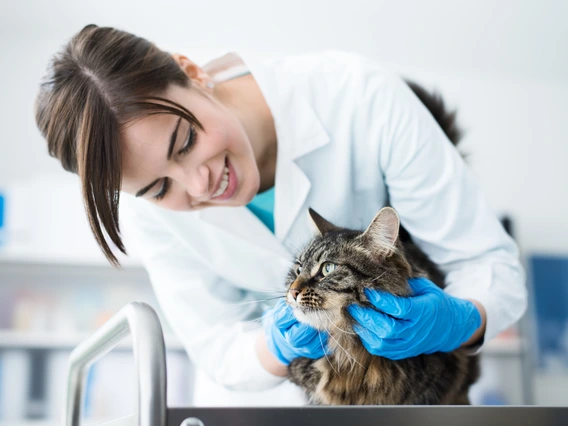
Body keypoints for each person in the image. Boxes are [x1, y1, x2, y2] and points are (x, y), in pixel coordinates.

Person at [34, 24, 527, 406]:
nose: (200, 184)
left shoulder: (355, 94)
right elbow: (216, 342)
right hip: (265, 405)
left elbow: (487, 263)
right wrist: (274, 347)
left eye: (185, 142)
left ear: (193, 71)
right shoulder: (151, 216)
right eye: (160, 186)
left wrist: (456, 320)